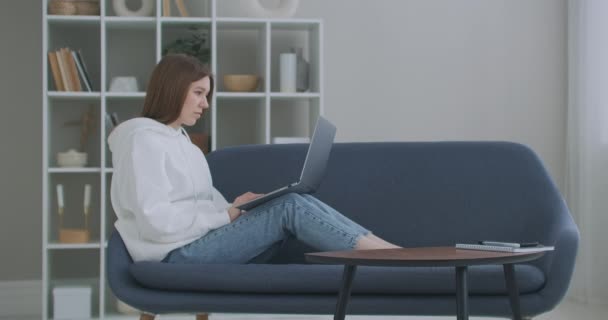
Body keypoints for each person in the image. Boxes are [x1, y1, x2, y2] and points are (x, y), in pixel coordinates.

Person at [108, 54, 400, 264]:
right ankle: (395, 259)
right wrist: (225, 215)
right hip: (175, 254)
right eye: (198, 93)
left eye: (206, 95)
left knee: (294, 199)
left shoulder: (185, 144)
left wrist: (238, 207)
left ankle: (393, 253)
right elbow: (155, 222)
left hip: (196, 242)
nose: (205, 104)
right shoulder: (142, 141)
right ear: (173, 89)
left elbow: (201, 202)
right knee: (289, 207)